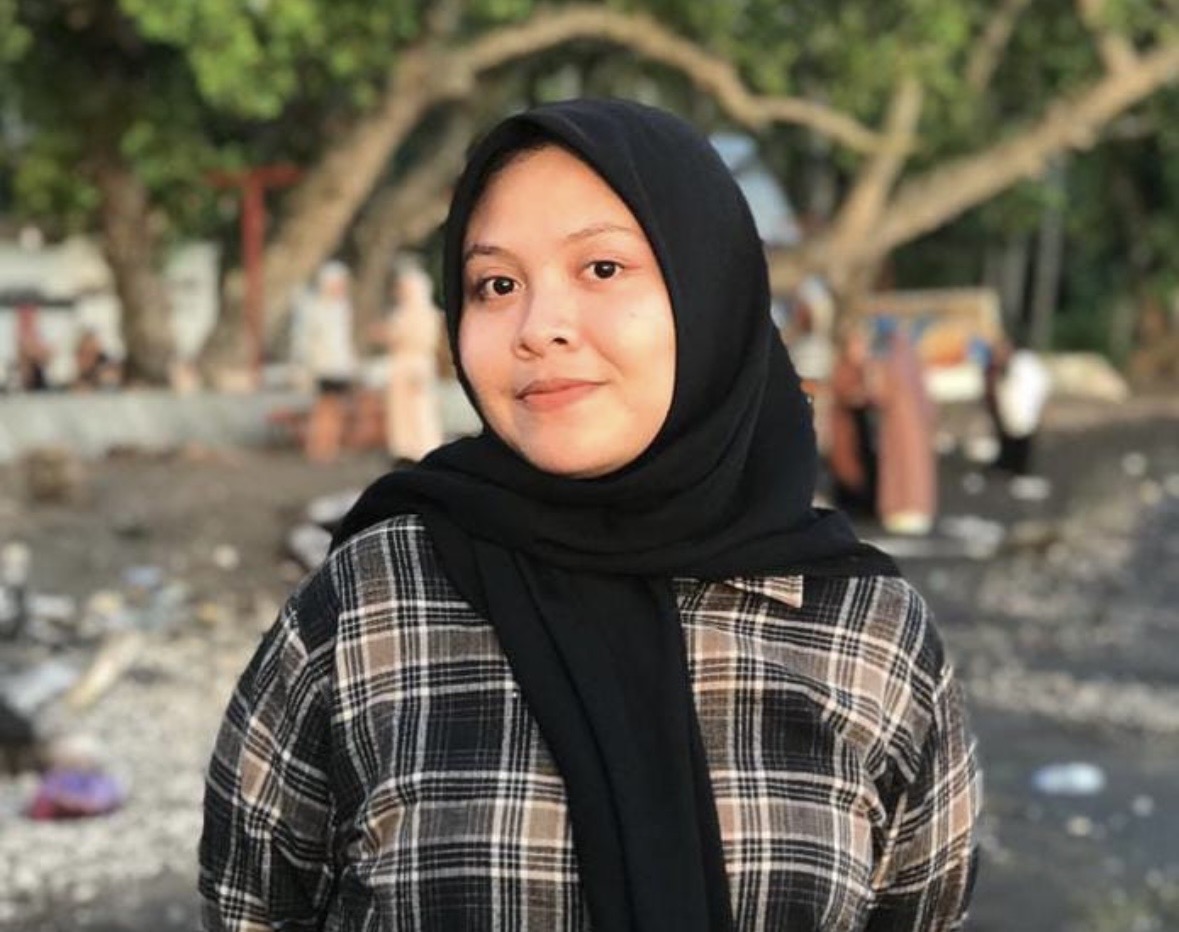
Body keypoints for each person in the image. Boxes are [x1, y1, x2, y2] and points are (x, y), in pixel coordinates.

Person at [200, 100, 979, 932]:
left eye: (601, 269)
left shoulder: (866, 634)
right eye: (496, 285)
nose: (539, 329)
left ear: (708, 288)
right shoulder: (372, 601)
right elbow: (251, 908)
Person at [874, 322, 938, 536]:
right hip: (914, 427)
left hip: (897, 426)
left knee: (901, 470)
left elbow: (881, 393)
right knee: (913, 470)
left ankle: (902, 510)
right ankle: (914, 509)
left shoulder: (893, 364)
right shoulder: (913, 363)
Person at [383, 260, 445, 466]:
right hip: (402, 364)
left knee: (420, 409)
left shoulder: (423, 314)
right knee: (401, 410)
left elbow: (411, 338)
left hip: (415, 363)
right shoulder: (402, 312)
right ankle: (404, 448)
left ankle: (423, 447)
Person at [298, 260, 359, 462]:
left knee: (336, 407)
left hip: (340, 365)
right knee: (323, 407)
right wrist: (308, 365)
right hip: (322, 365)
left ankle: (331, 445)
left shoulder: (343, 308)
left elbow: (345, 340)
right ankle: (317, 446)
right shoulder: (315, 308)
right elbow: (307, 339)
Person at [827, 322, 879, 517]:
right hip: (847, 428)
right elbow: (843, 393)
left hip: (862, 428)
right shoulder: (843, 367)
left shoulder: (864, 368)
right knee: (848, 468)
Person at [984, 336, 1050, 480]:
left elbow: (1032, 388)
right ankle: (1008, 464)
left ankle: (1019, 468)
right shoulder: (1001, 368)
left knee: (1021, 438)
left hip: (1021, 410)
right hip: (1009, 410)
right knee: (1009, 436)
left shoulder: (1024, 366)